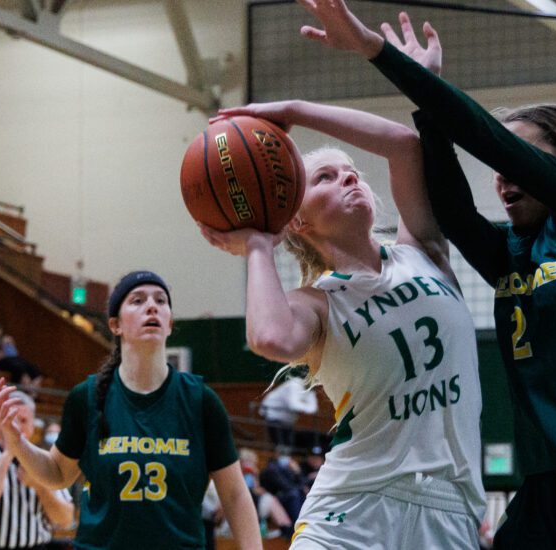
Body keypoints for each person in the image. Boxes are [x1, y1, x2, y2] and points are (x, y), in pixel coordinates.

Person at [293, 2, 556, 548]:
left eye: (520, 166)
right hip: (546, 490)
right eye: (498, 174)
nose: (503, 180)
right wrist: (426, 100)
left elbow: (485, 137)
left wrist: (376, 50)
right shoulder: (510, 253)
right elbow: (454, 211)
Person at [200, 100, 486, 547]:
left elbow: (405, 146)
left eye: (350, 171)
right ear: (296, 221)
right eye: (325, 178)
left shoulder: (423, 251)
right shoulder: (318, 303)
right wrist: (258, 245)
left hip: (448, 509)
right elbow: (270, 336)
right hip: (351, 509)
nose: (349, 177)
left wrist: (294, 110)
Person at [0, 271, 263, 550]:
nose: (152, 306)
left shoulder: (201, 401)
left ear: (169, 324)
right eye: (137, 300)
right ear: (115, 325)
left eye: (161, 300)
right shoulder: (86, 398)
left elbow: (234, 496)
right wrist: (17, 443)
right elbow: (57, 473)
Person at [0, 390, 74, 549]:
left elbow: (66, 519)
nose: (16, 428)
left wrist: (40, 487)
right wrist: (8, 454)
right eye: (11, 420)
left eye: (23, 421)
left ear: (33, 426)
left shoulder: (46, 460)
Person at [259, 371, 318, 448]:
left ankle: (285, 458)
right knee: (280, 444)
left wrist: (302, 407)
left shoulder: (310, 389)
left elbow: (313, 409)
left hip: (288, 420)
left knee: (288, 444)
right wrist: (305, 407)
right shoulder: (294, 385)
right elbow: (293, 405)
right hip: (274, 414)